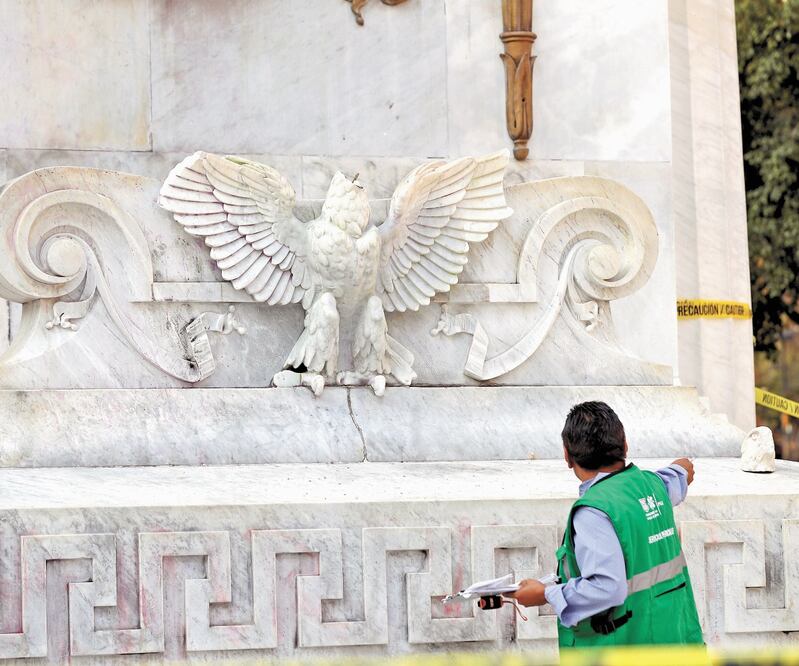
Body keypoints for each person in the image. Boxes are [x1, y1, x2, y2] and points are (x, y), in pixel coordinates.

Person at [507, 401, 704, 647]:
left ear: (567, 456)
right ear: (625, 446)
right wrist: (682, 468)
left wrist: (545, 594)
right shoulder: (654, 487)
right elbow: (679, 476)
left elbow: (608, 587)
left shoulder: (593, 512)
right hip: (677, 640)